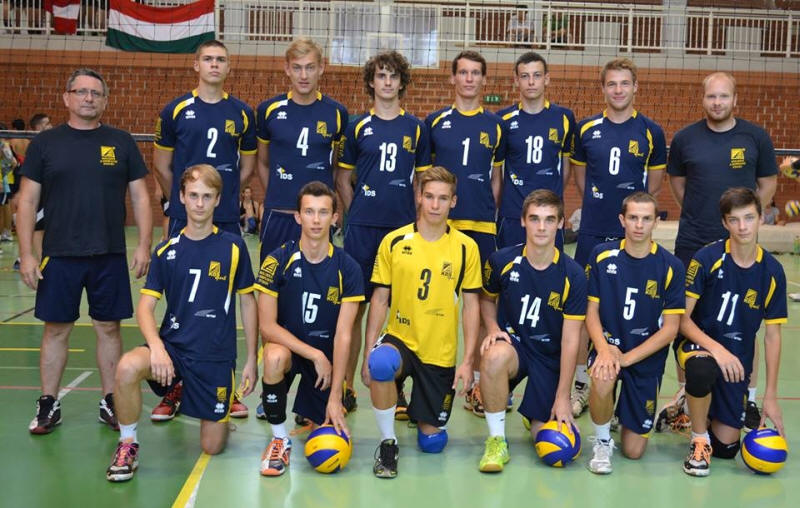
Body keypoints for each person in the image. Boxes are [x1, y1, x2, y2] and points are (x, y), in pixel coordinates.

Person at [17, 68, 152, 435]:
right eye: (81, 91)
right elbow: (26, 201)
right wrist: (27, 253)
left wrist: (144, 244)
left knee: (109, 328)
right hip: (59, 253)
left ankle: (110, 399)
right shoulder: (46, 143)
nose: (88, 98)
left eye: (96, 93)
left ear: (105, 100)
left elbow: (140, 196)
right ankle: (49, 402)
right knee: (56, 330)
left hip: (109, 253)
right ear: (67, 98)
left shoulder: (121, 142)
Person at [106, 164, 258, 482]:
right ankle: (127, 443)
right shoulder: (166, 251)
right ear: (181, 198)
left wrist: (251, 359)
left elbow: (247, 302)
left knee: (212, 446)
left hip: (214, 357)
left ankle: (217, 408)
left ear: (218, 200)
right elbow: (145, 308)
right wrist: (157, 348)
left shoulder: (233, 247)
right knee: (127, 367)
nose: (200, 203)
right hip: (173, 350)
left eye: (207, 196)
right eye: (193, 195)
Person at [663, 71, 778, 432]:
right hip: (694, 240)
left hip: (741, 244)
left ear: (735, 99)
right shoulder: (685, 139)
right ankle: (687, 394)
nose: (717, 103)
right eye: (711, 96)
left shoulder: (755, 137)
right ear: (703, 99)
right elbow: (678, 184)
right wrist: (701, 215)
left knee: (745, 320)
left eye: (723, 96)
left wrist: (744, 222)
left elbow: (768, 183)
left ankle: (748, 397)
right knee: (685, 319)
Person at [153, 39, 256, 419]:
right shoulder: (175, 110)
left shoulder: (242, 113)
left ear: (229, 67)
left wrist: (220, 201)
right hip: (185, 219)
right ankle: (174, 383)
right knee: (178, 300)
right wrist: (182, 203)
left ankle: (225, 383)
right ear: (196, 64)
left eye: (221, 60)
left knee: (223, 302)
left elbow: (247, 167)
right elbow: (161, 165)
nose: (214, 65)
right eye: (208, 59)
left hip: (224, 217)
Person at [362, 166, 482, 479]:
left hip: (439, 352)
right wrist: (366, 354)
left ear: (453, 202)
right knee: (381, 363)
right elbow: (379, 300)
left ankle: (421, 410)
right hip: (400, 339)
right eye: (429, 196)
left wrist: (468, 361)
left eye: (442, 198)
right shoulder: (393, 241)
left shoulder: (466, 248)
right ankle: (388, 443)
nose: (434, 205)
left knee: (432, 442)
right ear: (418, 197)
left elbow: (471, 307)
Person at [335, 50, 431, 416]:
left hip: (402, 230)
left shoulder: (416, 128)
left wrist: (415, 221)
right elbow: (343, 179)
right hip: (362, 229)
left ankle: (397, 385)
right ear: (371, 82)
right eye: (381, 75)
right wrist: (356, 211)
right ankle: (346, 386)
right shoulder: (357, 126)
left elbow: (422, 181)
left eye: (393, 76)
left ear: (402, 83)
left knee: (401, 311)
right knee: (355, 308)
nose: (387, 82)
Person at [569, 58, 666, 419]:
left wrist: (632, 217)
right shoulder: (586, 129)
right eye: (612, 83)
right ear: (603, 88)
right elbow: (581, 179)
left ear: (635, 86)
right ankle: (583, 384)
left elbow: (653, 187)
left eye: (625, 83)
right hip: (593, 232)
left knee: (633, 308)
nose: (618, 90)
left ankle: (629, 383)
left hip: (633, 237)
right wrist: (599, 205)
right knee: (585, 310)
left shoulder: (651, 131)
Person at [256, 181, 363, 476]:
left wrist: (336, 396)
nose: (316, 220)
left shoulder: (348, 268)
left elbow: (344, 335)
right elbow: (267, 326)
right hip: (293, 351)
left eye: (323, 212)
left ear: (335, 218)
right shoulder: (277, 260)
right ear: (298, 216)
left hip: (326, 362)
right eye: (309, 212)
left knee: (325, 440)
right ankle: (280, 439)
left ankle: (316, 407)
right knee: (273, 356)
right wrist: (313, 354)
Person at [678, 187, 787, 477]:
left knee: (727, 448)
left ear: (761, 218)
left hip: (737, 360)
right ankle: (698, 440)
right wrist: (717, 349)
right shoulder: (706, 258)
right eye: (734, 220)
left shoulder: (772, 271)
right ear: (725, 223)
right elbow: (682, 320)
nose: (742, 227)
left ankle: (688, 408)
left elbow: (772, 335)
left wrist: (770, 395)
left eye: (749, 218)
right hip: (698, 344)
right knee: (702, 371)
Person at [477, 190, 586, 473]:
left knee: (549, 444)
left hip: (550, 357)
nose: (541, 227)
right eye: (535, 219)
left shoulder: (573, 274)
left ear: (561, 223)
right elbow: (486, 299)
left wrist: (563, 397)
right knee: (494, 356)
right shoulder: (501, 260)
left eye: (549, 220)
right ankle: (497, 440)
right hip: (515, 346)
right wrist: (492, 328)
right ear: (523, 221)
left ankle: (535, 412)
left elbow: (571, 340)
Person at [426, 51, 504, 416]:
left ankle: (475, 382)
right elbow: (425, 179)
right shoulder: (435, 122)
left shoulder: (496, 126)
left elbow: (496, 179)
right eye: (463, 72)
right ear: (453, 78)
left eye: (476, 73)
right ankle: (431, 378)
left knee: (483, 304)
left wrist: (487, 210)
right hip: (445, 229)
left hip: (482, 227)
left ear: (484, 80)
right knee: (435, 305)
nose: (469, 79)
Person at [585, 192, 684, 474]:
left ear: (656, 222)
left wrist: (626, 358)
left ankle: (621, 412)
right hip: (609, 346)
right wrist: (604, 350)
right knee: (602, 376)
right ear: (622, 220)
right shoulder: (602, 256)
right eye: (633, 218)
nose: (639, 225)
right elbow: (591, 312)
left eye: (646, 218)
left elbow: (670, 329)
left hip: (645, 357)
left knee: (633, 452)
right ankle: (602, 441)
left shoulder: (671, 266)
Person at [255, 37, 348, 263]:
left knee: (319, 280)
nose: (303, 75)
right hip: (278, 215)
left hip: (318, 220)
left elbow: (335, 166)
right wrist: (277, 195)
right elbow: (263, 163)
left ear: (321, 68)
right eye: (297, 68)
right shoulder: (269, 110)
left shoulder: (337, 113)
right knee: (271, 280)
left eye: (310, 67)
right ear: (287, 69)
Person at [496, 52, 575, 250]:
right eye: (525, 76)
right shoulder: (502, 119)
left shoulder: (564, 118)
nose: (531, 82)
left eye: (537, 75)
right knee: (510, 266)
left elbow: (566, 166)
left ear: (546, 79)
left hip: (550, 214)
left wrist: (553, 192)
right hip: (513, 213)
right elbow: (497, 170)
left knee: (550, 267)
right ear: (516, 80)